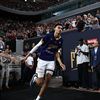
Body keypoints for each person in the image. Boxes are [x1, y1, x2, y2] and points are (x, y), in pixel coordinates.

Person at [24, 23, 66, 100]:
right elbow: (37, 45)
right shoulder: (48, 36)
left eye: (61, 28)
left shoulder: (61, 40)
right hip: (42, 60)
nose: (60, 29)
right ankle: (35, 77)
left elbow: (56, 53)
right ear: (55, 28)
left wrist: (60, 63)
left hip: (51, 61)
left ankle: (38, 98)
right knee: (40, 82)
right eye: (58, 27)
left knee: (47, 81)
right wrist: (27, 55)